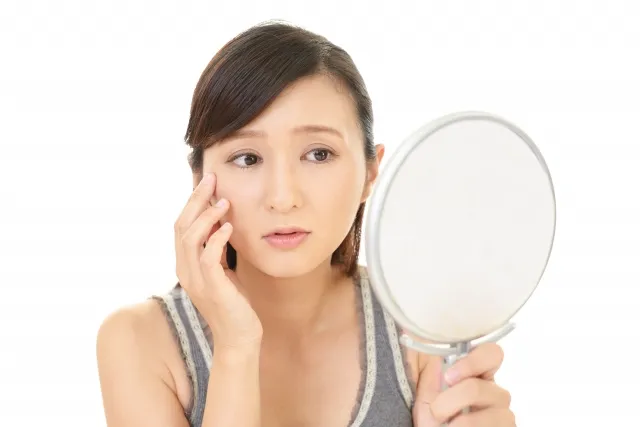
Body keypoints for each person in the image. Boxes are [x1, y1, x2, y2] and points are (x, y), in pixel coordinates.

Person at [96, 21, 516, 427]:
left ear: (370, 172)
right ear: (199, 180)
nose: (283, 197)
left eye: (318, 154)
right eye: (247, 158)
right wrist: (236, 346)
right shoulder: (140, 342)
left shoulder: (420, 327)